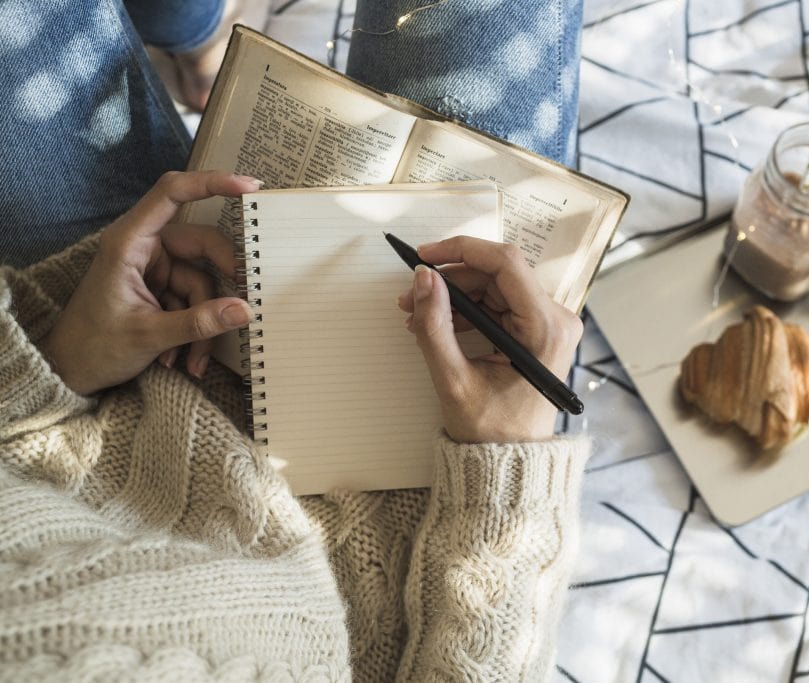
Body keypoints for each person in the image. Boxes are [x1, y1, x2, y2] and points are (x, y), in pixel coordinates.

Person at [0, 0, 588, 680]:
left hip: (78, 381)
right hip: (422, 501)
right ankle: (195, 41)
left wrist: (54, 367)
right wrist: (508, 470)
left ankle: (193, 35)